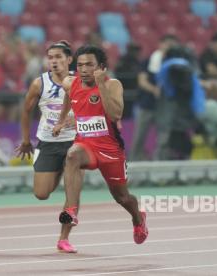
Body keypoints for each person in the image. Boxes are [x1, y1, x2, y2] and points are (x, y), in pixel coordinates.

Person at [52, 45, 148, 247]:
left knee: (122, 197)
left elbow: (115, 115)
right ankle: (70, 211)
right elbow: (68, 100)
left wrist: (101, 84)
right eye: (80, 65)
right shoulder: (70, 83)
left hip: (110, 150)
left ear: (101, 67)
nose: (84, 69)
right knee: (72, 156)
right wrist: (62, 121)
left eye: (89, 65)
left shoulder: (113, 85)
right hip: (85, 145)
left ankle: (138, 217)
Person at [16, 41, 78, 253]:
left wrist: (76, 121)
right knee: (42, 193)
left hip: (74, 144)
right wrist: (26, 140)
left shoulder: (80, 82)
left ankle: (64, 238)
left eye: (59, 57)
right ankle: (60, 170)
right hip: (47, 142)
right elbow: (25, 111)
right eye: (50, 57)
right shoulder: (38, 83)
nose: (54, 61)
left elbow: (94, 109)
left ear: (69, 60)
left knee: (72, 194)